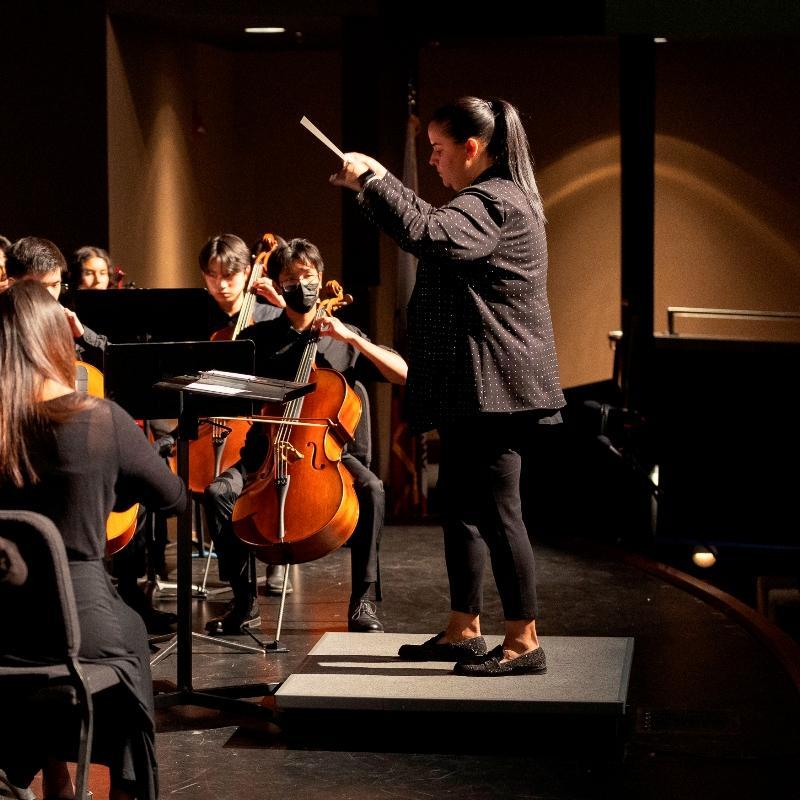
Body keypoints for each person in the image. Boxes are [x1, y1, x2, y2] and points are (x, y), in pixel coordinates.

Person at [330, 96, 565, 676]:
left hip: (496, 388)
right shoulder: (486, 201)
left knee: (500, 513)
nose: (432, 160)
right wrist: (374, 187)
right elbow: (428, 228)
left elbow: (429, 232)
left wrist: (376, 182)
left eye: (438, 150)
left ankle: (524, 642)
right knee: (460, 507)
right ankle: (465, 629)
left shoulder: (495, 202)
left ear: (473, 148)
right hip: (473, 386)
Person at [0, 281, 187, 800]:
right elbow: (173, 499)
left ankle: (42, 774)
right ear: (55, 343)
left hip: (3, 625)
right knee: (131, 638)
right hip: (78, 624)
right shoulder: (100, 420)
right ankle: (128, 790)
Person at [203, 238, 407, 635]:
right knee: (217, 494)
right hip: (264, 453)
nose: (302, 285)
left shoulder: (342, 337)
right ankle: (244, 602)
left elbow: (401, 374)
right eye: (291, 279)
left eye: (308, 276)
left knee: (372, 488)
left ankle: (362, 601)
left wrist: (353, 339)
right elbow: (230, 392)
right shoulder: (259, 338)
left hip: (325, 451)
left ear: (321, 277)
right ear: (279, 286)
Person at [5, 236, 107, 367]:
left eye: (55, 285)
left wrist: (82, 336)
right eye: (40, 287)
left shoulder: (65, 322)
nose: (50, 296)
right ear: (13, 285)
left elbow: (118, 363)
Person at [200, 232, 283, 337]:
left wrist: (284, 307)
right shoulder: (194, 320)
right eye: (212, 275)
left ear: (246, 272)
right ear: (203, 275)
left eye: (228, 275)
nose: (221, 284)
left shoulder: (273, 316)